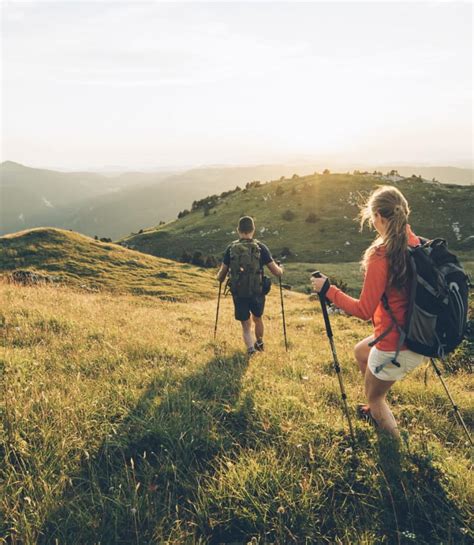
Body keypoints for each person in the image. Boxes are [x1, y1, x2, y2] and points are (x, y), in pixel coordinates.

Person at [311, 186, 425, 439]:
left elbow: (363, 310)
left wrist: (329, 290)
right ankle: (375, 400)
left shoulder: (381, 255)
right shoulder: (416, 244)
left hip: (396, 346)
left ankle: (392, 449)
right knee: (361, 351)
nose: (372, 222)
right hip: (419, 336)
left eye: (372, 217)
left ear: (379, 217)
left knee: (376, 399)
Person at [217, 216, 283, 357]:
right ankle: (259, 343)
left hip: (239, 292)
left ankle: (250, 350)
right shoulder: (261, 247)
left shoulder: (231, 248)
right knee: (257, 318)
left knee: (246, 325)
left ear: (238, 230)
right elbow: (276, 272)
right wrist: (281, 269)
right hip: (257, 291)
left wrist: (219, 277)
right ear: (253, 230)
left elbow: (221, 275)